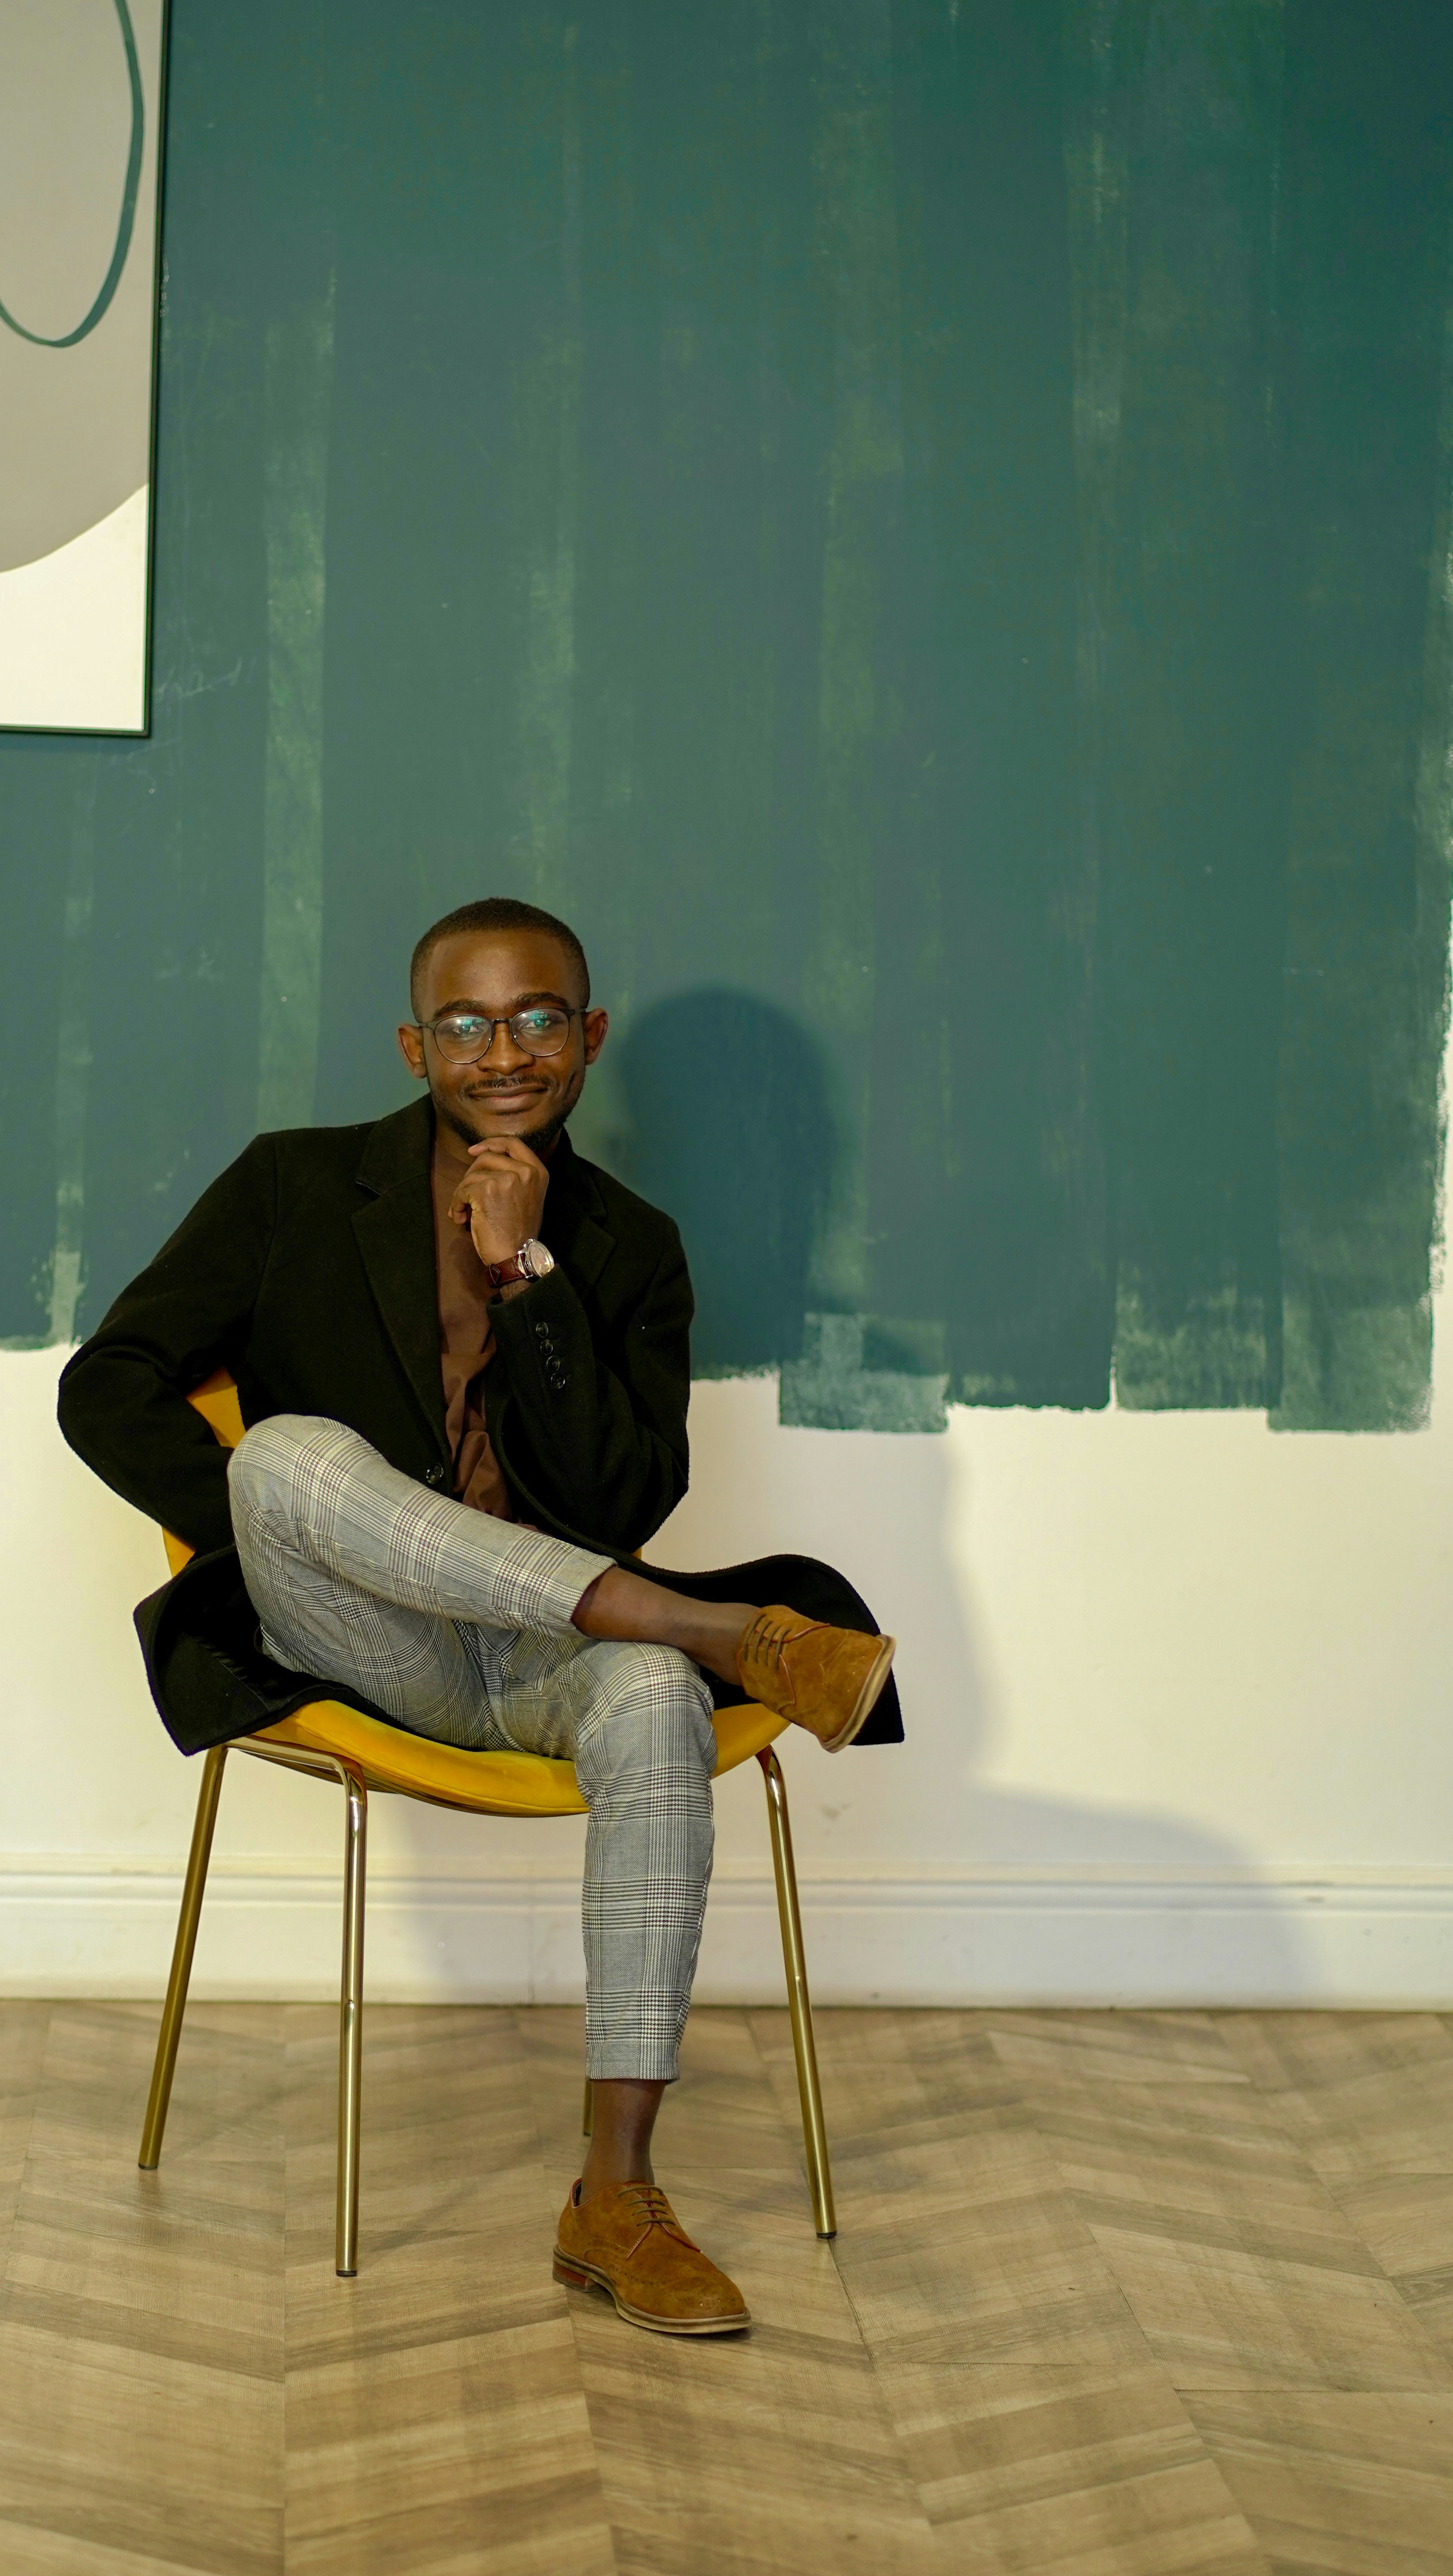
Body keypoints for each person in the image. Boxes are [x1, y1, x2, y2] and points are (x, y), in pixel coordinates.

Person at [58, 896, 901, 2336]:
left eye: (535, 1019)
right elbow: (108, 1380)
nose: (501, 1051)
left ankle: (613, 2197)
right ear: (412, 1043)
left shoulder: (629, 1246)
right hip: (354, 1638)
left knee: (646, 1699)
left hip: (536, 1663)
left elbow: (623, 1487)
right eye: (465, 1022)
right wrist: (266, 1532)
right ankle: (714, 1628)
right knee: (284, 1456)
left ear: (587, 1037)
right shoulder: (293, 1188)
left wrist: (530, 1274)